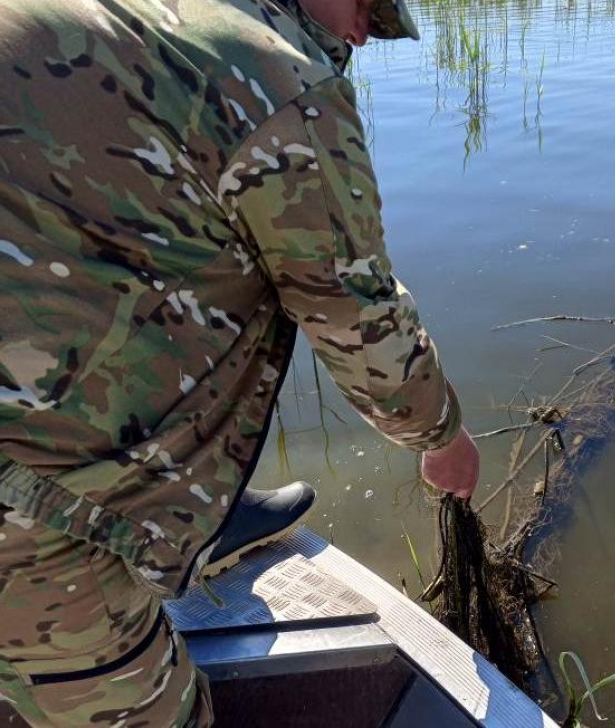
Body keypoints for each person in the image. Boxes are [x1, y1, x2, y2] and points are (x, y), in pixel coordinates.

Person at [0, 0, 480, 724]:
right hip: (32, 503)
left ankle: (191, 509)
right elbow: (355, 316)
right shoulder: (276, 79)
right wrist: (443, 438)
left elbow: (108, 258)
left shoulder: (120, 20)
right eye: (364, 11)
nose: (360, 34)